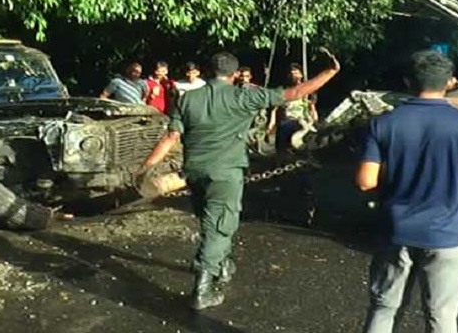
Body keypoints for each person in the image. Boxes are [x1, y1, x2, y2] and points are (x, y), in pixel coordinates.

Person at [139, 50, 340, 310]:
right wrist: (329, 72)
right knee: (221, 224)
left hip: (194, 172)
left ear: (208, 72)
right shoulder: (244, 95)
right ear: (234, 75)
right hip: (225, 173)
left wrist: (146, 168)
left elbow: (170, 137)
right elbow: (294, 94)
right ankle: (203, 287)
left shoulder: (187, 99)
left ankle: (221, 263)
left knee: (209, 219)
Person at [356, 50, 458, 333]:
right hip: (447, 236)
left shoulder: (384, 123)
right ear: (450, 82)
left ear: (408, 82)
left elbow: (365, 181)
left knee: (384, 308)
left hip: (395, 232)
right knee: (441, 315)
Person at [266, 63, 319, 151]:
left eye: (296, 73)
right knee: (282, 146)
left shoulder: (307, 90)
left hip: (303, 122)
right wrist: (271, 125)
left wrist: (315, 121)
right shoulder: (283, 91)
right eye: (291, 74)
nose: (293, 76)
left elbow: (312, 108)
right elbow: (274, 110)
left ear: (301, 75)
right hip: (286, 122)